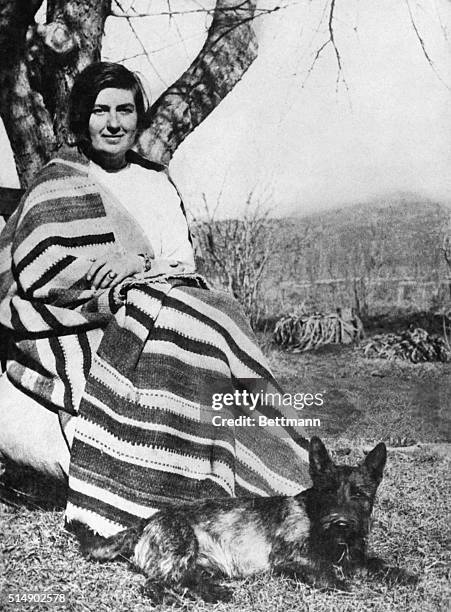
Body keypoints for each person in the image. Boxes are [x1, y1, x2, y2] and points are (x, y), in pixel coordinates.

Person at [0, 62, 310, 536]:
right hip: (78, 320)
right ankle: (158, 482)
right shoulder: (57, 182)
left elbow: (182, 265)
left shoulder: (155, 181)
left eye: (125, 110)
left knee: (220, 315)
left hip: (159, 302)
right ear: (82, 117)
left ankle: (269, 467)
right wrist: (108, 287)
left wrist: (135, 265)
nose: (113, 123)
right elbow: (40, 268)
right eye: (100, 110)